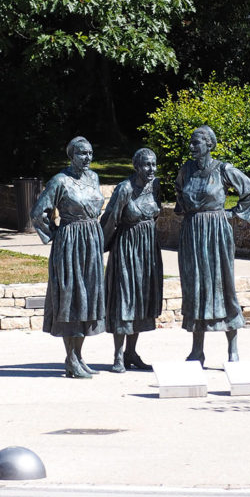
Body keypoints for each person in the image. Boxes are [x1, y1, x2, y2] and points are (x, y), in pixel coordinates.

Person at [174, 125, 250, 365]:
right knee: (195, 289)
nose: (192, 147)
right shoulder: (186, 171)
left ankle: (232, 348)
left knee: (223, 287)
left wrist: (233, 214)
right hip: (192, 234)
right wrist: (185, 209)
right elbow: (179, 193)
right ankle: (197, 350)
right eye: (191, 143)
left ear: (209, 145)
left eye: (196, 143)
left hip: (216, 234)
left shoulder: (223, 169)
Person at [30, 136, 106, 378]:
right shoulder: (59, 181)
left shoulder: (93, 177)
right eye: (82, 153)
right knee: (70, 297)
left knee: (88, 297)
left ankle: (79, 355)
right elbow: (38, 214)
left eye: (90, 153)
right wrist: (58, 234)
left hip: (92, 240)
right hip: (71, 242)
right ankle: (70, 358)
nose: (88, 158)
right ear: (71, 155)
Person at [100, 147, 163, 372]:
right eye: (147, 165)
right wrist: (99, 247)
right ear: (136, 166)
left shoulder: (155, 186)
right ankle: (118, 354)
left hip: (148, 250)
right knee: (124, 298)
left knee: (141, 299)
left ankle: (131, 353)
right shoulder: (124, 189)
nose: (151, 169)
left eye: (154, 164)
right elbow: (110, 219)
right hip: (127, 249)